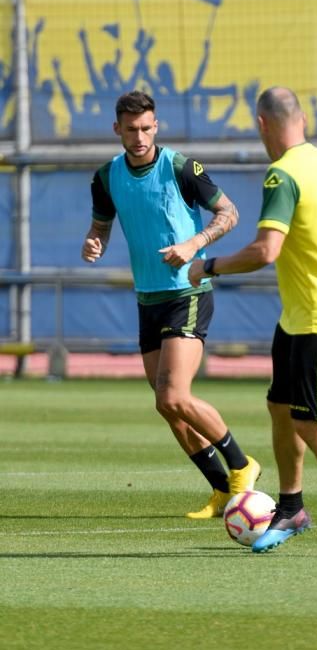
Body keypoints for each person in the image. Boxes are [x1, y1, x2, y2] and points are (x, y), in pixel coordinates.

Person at [188, 86, 317, 557]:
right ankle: (291, 506)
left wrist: (209, 265)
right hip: (302, 317)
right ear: (301, 120)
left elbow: (266, 251)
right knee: (280, 407)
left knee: (312, 423)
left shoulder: (281, 176)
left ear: (262, 124)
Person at [81, 90, 260, 519]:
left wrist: (195, 243)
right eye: (131, 129)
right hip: (148, 298)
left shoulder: (181, 167)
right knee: (165, 404)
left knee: (175, 393)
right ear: (117, 130)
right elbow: (100, 227)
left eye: (146, 128)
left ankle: (241, 464)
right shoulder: (106, 178)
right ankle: (221, 490)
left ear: (156, 125)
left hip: (188, 293)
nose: (139, 136)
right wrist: (94, 243)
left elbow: (229, 213)